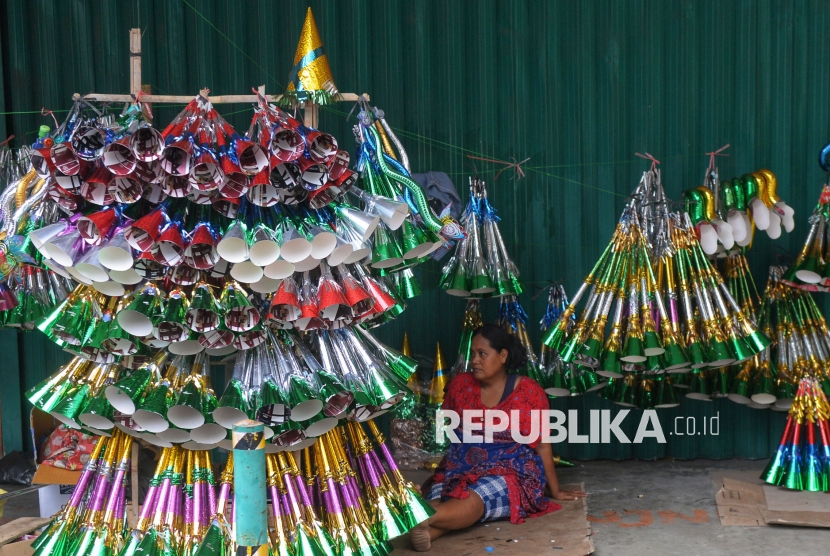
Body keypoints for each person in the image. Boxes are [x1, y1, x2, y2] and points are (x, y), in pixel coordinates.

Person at [410, 324, 587, 551]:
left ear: (503, 356)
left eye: (482, 354)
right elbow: (452, 430)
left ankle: (420, 517)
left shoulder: (528, 392)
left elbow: (542, 445)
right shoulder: (460, 385)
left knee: (475, 499)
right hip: (459, 466)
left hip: (511, 470)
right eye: (473, 354)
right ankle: (428, 530)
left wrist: (556, 490)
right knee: (443, 497)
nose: (475, 360)